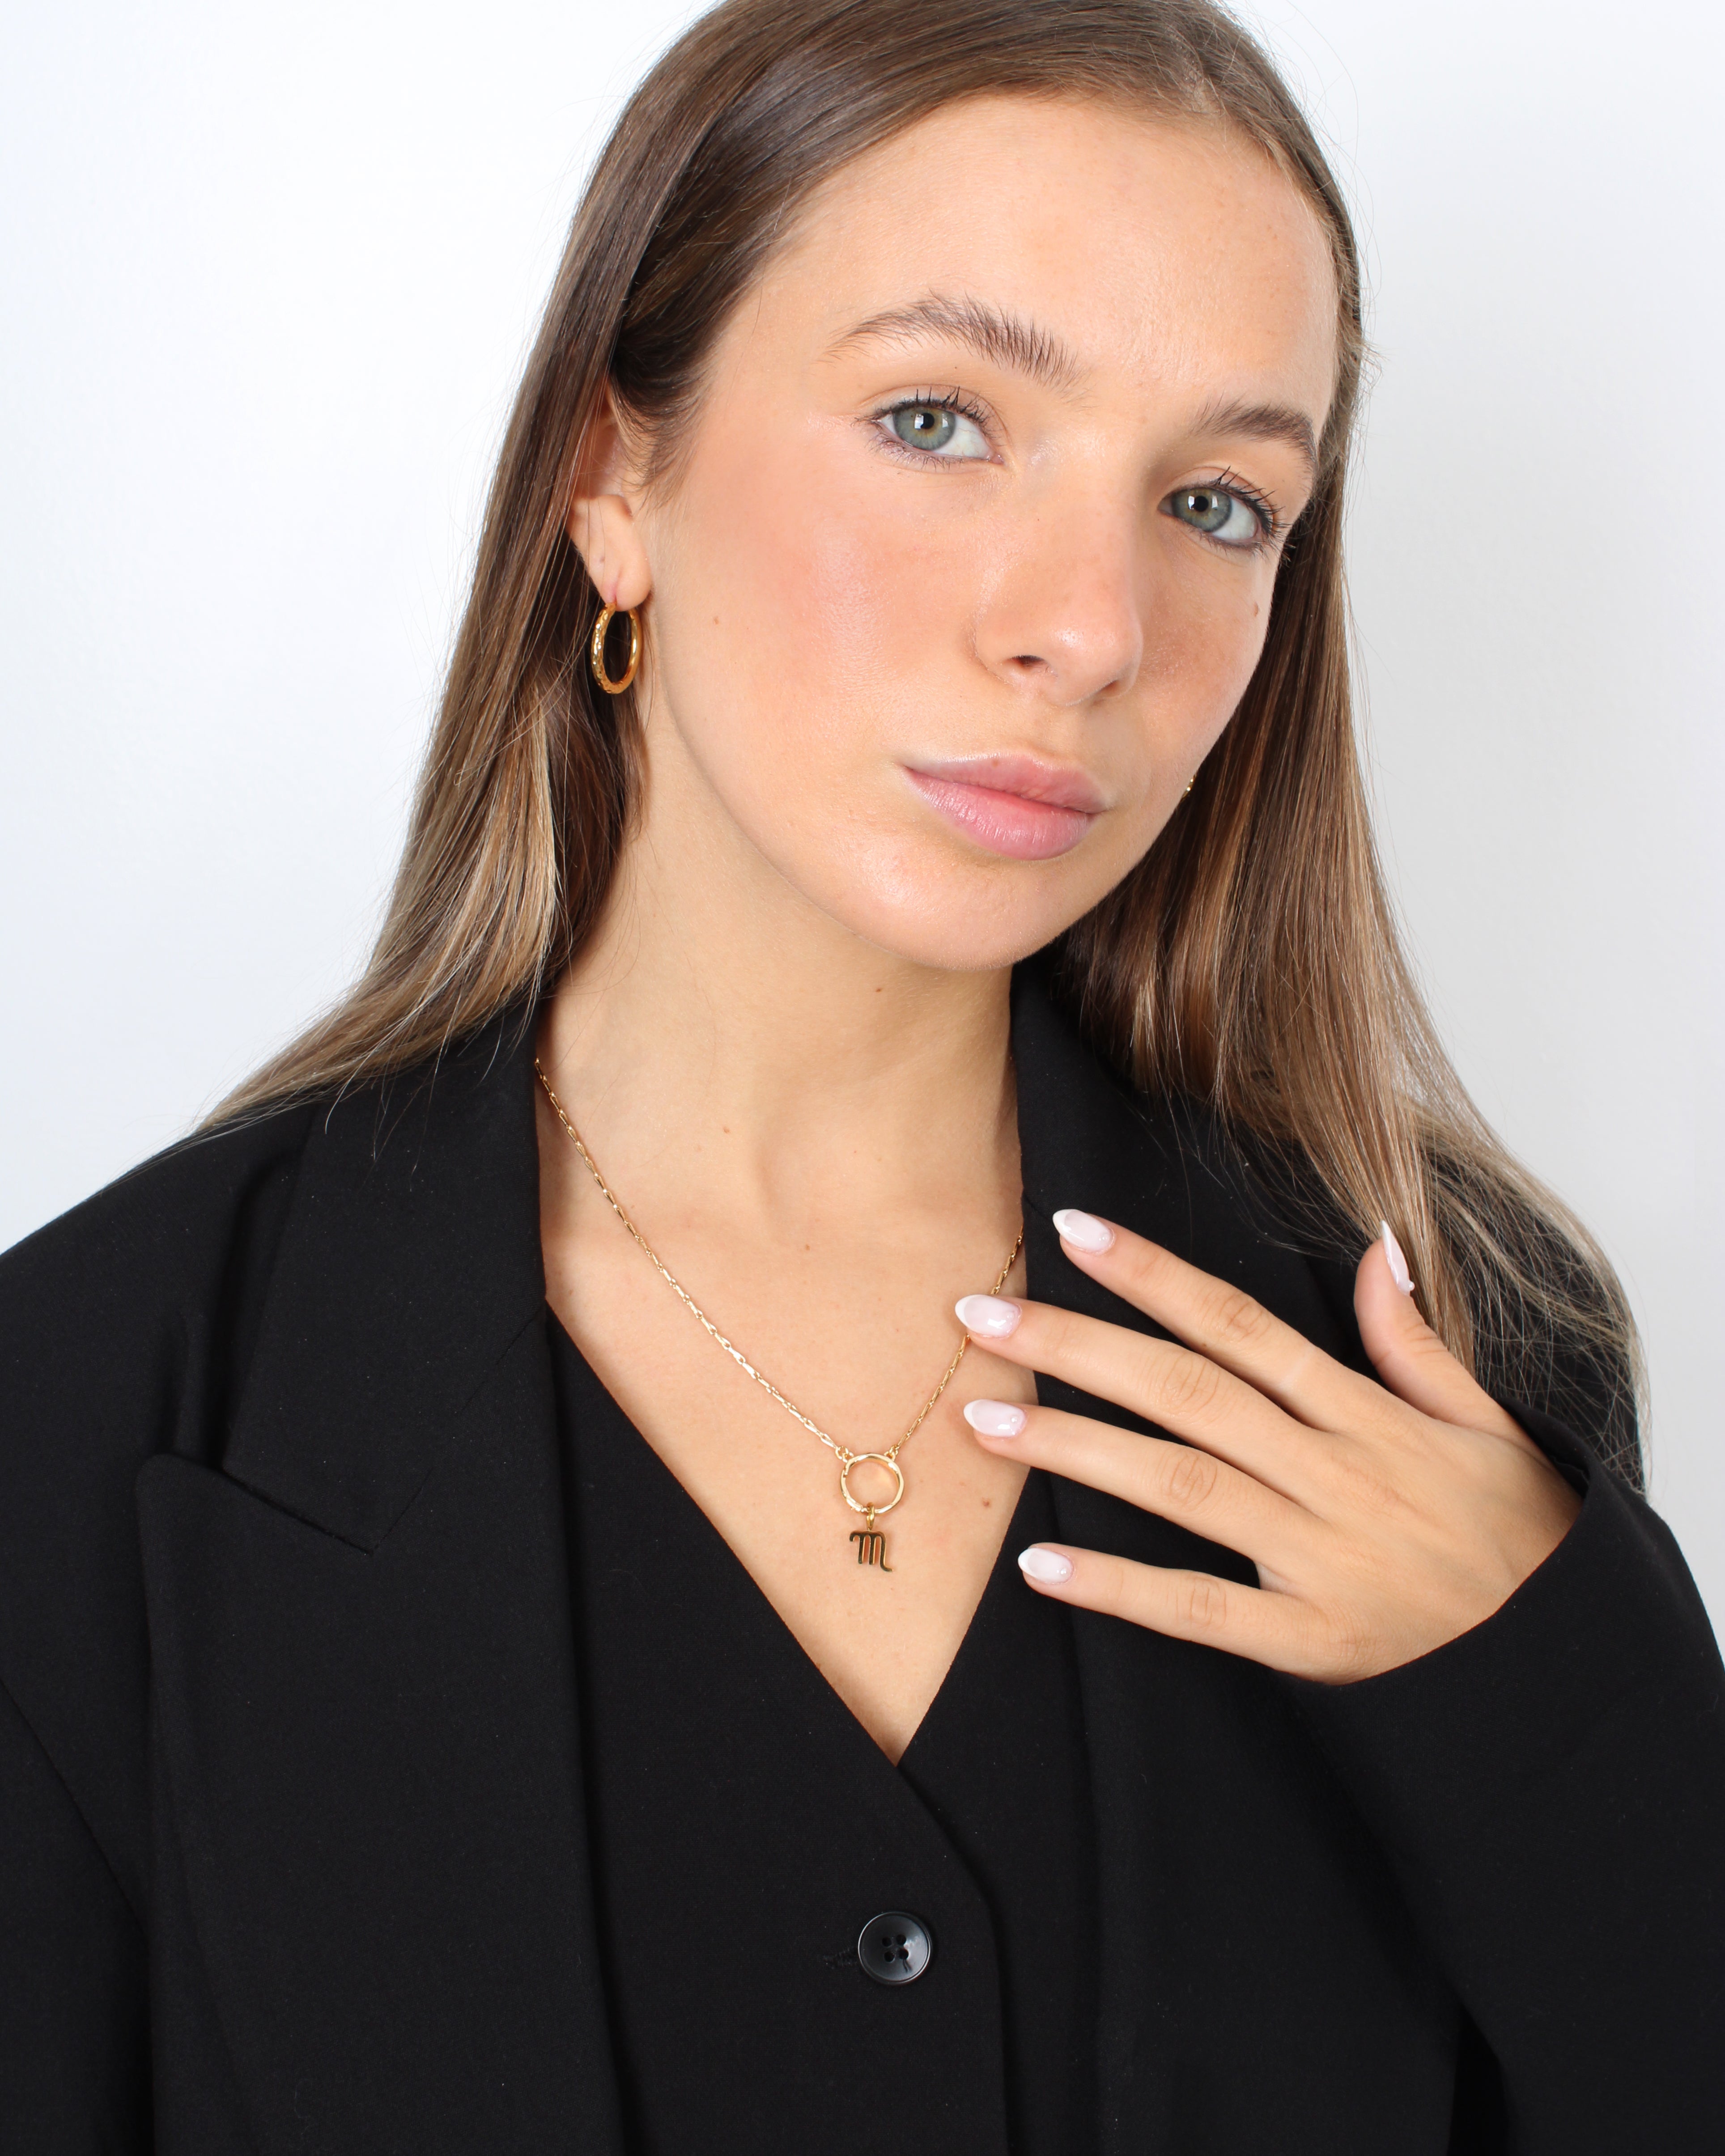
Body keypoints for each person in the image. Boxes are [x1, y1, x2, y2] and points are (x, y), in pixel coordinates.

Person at [2, 0, 1720, 2148]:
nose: (1090, 623)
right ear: (611, 475)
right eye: (936, 419)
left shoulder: (1446, 1350)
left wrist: (1560, 1704)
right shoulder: (89, 1418)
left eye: (1215, 500)